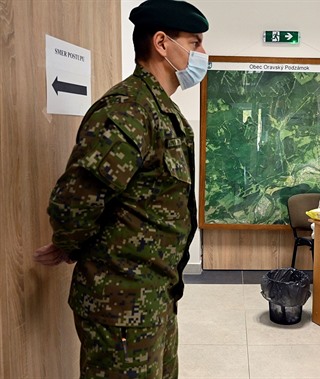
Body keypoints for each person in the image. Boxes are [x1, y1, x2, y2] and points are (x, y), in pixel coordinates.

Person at [33, 0, 208, 377]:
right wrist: (69, 244)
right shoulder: (127, 109)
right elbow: (74, 201)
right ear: (162, 43)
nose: (202, 54)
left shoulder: (161, 111)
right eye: (195, 43)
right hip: (120, 308)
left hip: (154, 297)